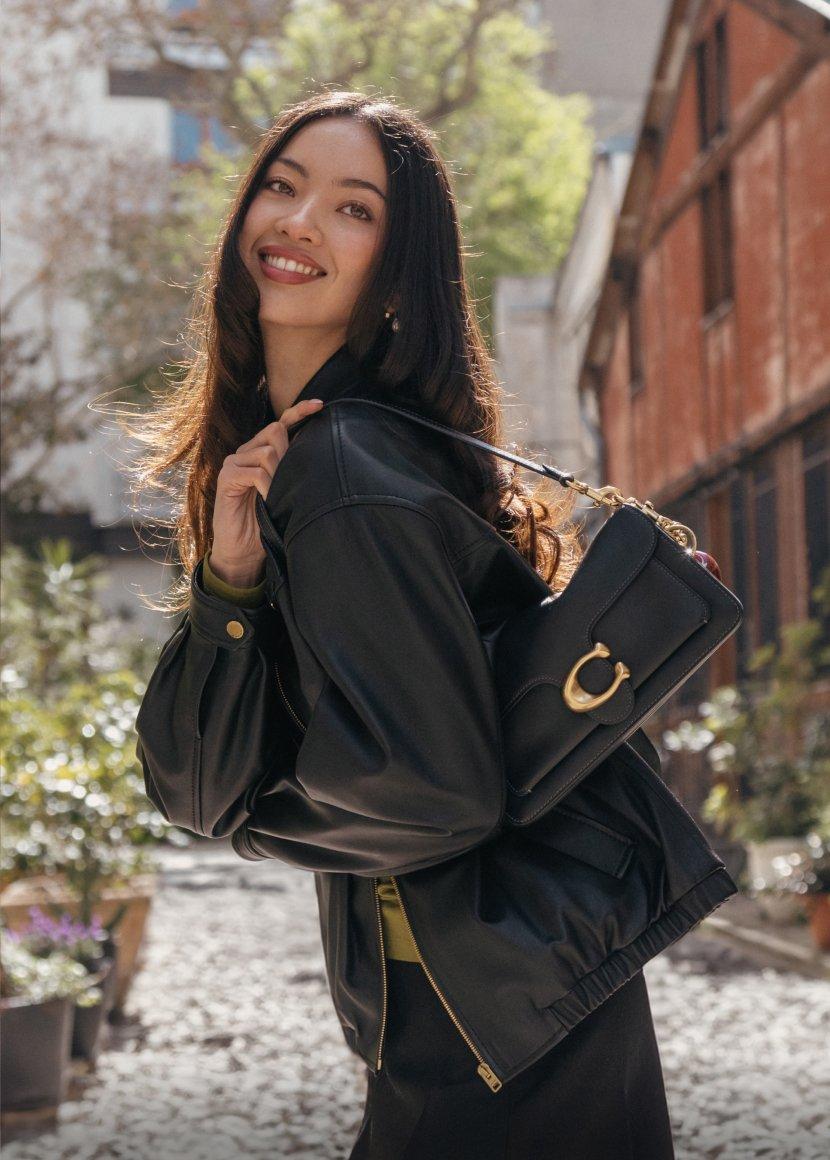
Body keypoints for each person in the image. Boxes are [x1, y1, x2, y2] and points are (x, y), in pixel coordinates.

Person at [130, 90, 736, 1158]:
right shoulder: (313, 458)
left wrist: (250, 823)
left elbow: (423, 794)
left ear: (395, 269)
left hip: (493, 1000)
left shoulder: (345, 472)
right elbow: (189, 779)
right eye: (282, 184)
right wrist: (229, 583)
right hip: (502, 981)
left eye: (353, 209)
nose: (300, 221)